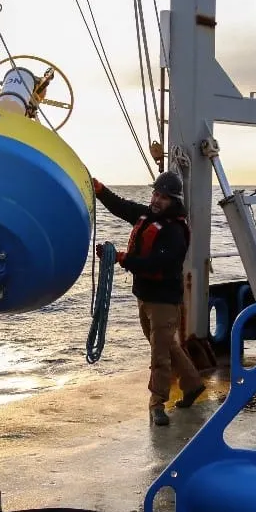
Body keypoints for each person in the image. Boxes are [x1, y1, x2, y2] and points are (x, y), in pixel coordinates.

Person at [93, 171, 206, 426]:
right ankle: (192, 384)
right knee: (166, 346)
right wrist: (99, 189)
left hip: (164, 301)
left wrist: (121, 258)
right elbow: (120, 206)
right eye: (155, 194)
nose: (156, 200)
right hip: (144, 297)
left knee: (159, 354)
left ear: (173, 201)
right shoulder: (146, 216)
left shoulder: (175, 231)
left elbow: (156, 265)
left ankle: (157, 404)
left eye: (163, 197)